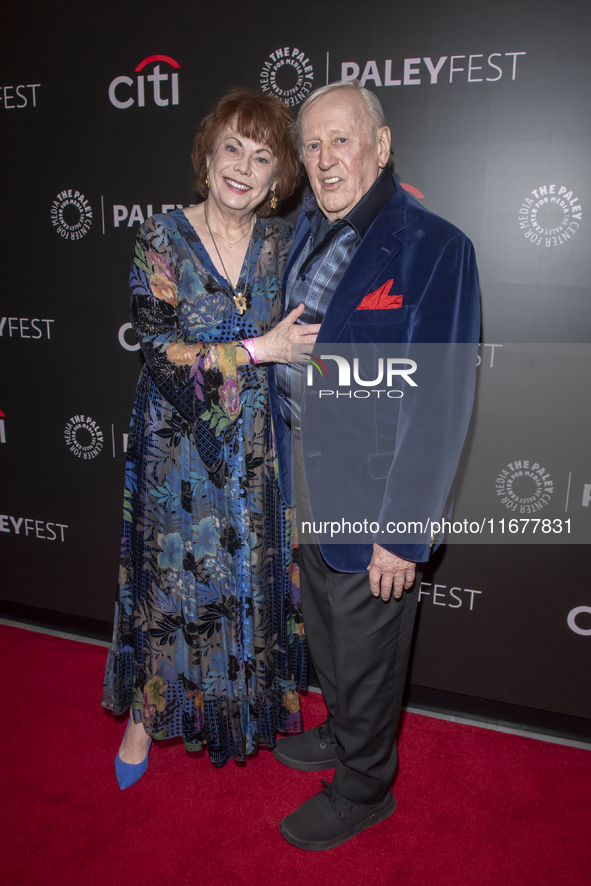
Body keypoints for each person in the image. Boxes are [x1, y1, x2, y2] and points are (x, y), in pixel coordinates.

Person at [267, 80, 481, 849]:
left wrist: (403, 532)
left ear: (381, 146)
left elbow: (441, 402)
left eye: (342, 140)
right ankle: (342, 733)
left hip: (374, 498)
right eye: (312, 144)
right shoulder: (303, 230)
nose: (324, 160)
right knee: (327, 639)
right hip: (305, 478)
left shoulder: (434, 247)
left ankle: (365, 788)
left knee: (367, 653)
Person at [101, 89, 319, 790]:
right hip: (176, 439)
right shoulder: (162, 235)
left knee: (244, 579)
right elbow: (161, 352)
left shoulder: (285, 242)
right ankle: (145, 712)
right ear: (208, 152)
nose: (243, 169)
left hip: (254, 442)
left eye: (262, 158)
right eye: (233, 148)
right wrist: (258, 348)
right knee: (168, 585)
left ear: (279, 177)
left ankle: (240, 708)